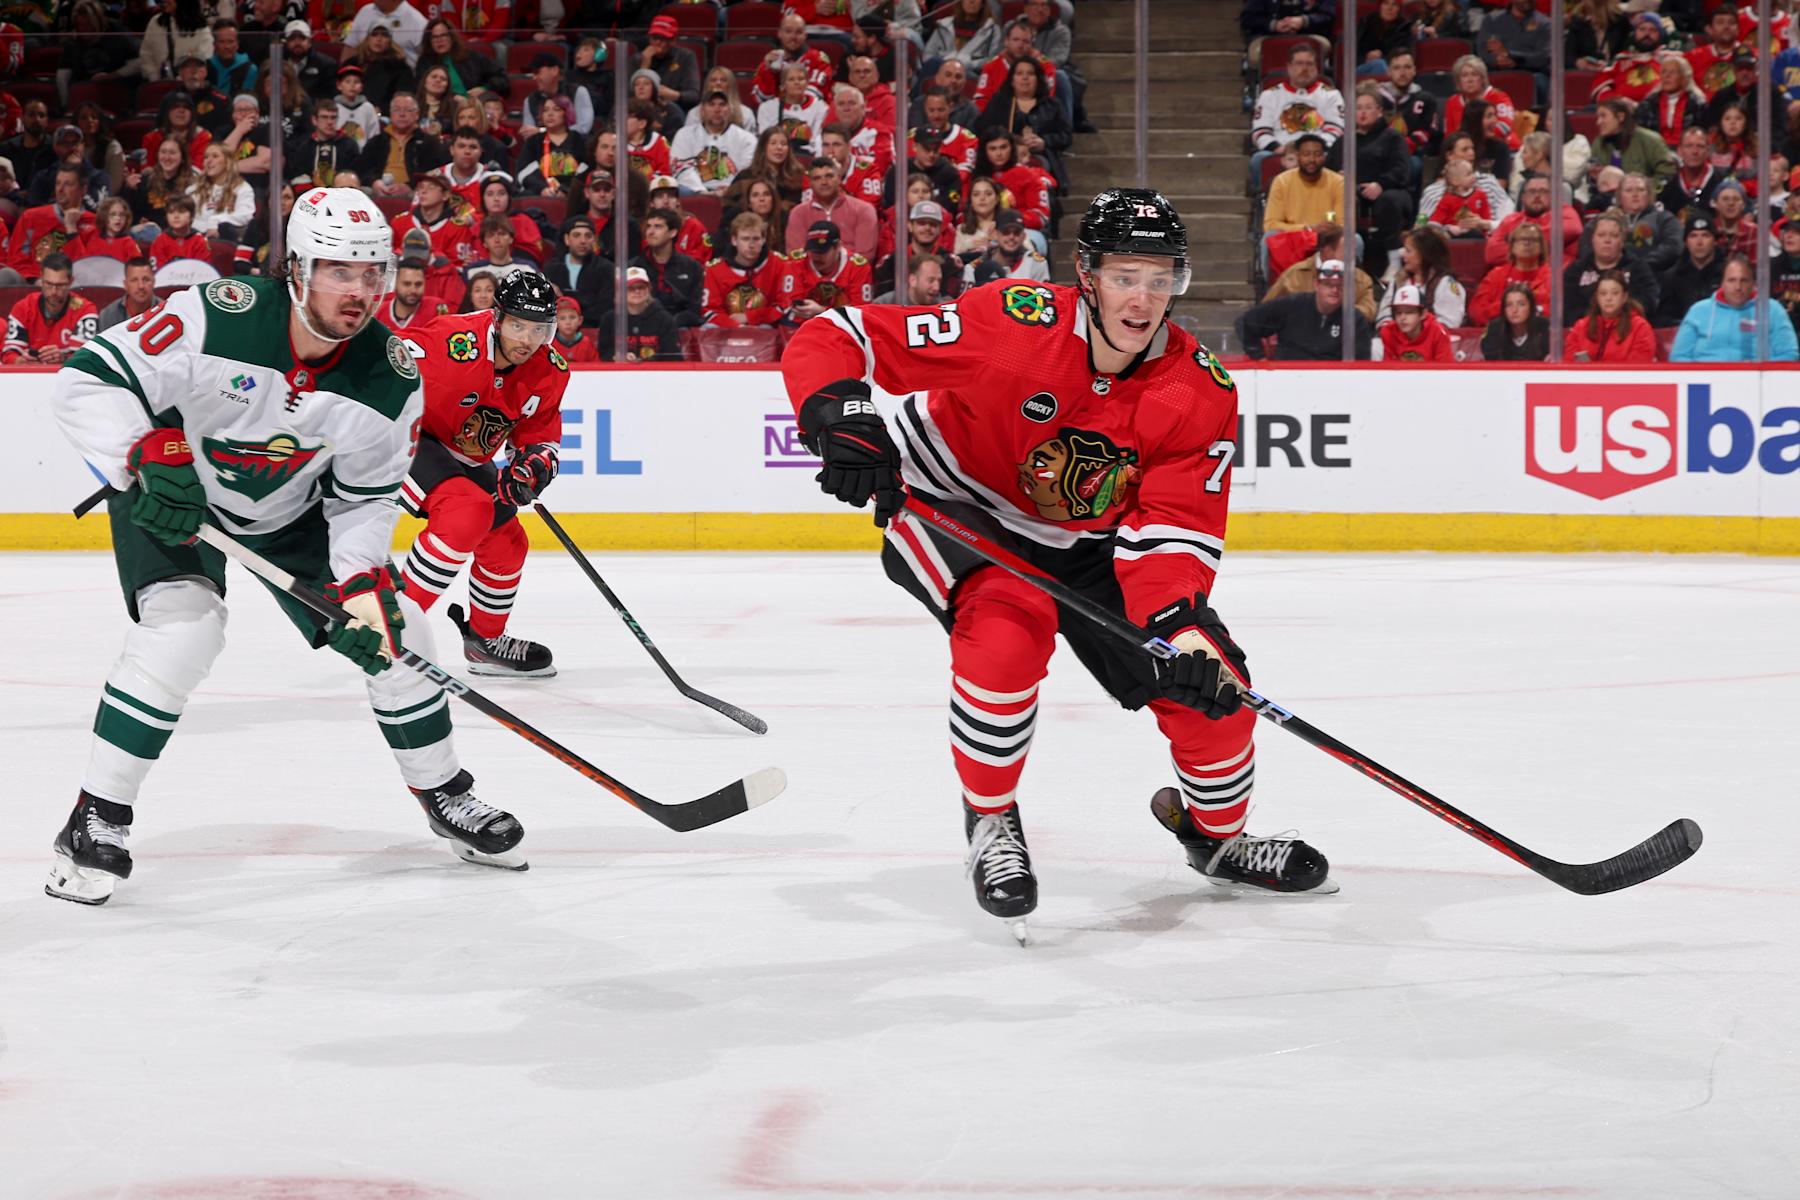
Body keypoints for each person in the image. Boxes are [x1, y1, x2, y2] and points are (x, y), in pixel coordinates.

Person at [781, 187, 1336, 941]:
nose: (1142, 299)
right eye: (1123, 277)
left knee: (1217, 698)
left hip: (1090, 542)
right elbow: (837, 333)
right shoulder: (1014, 324)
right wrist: (840, 416)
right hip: (955, 501)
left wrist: (1186, 632)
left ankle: (1219, 840)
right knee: (1007, 633)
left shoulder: (1197, 389)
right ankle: (990, 820)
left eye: (1159, 278)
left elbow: (1172, 530)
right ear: (1086, 274)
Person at [47, 186, 532, 905]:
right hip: (176, 493)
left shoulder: (390, 376)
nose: (360, 290)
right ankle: (95, 818)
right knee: (184, 632)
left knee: (404, 637)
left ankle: (444, 792)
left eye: (373, 273)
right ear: (297, 270)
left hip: (293, 510)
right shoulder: (215, 316)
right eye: (341, 270)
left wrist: (363, 586)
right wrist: (143, 448)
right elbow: (88, 382)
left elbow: (365, 498)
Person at [399, 273, 567, 682]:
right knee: (466, 514)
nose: (528, 339)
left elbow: (540, 436)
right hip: (404, 436)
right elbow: (381, 355)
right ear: (497, 317)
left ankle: (484, 642)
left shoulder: (550, 370)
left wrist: (533, 465)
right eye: (517, 325)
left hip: (464, 455)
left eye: (540, 329)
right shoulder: (451, 341)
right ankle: (393, 628)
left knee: (509, 542)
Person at [1248, 42, 1343, 192]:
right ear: (1289, 67)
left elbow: (1336, 130)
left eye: (1309, 64)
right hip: (1281, 149)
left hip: (1319, 150)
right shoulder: (1270, 95)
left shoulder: (1331, 94)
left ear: (1316, 67)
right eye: (1299, 63)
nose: (1305, 68)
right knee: (1259, 159)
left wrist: (1312, 151)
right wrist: (1279, 149)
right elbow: (1260, 131)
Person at [1238, 257, 1374, 360]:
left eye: (1340, 286)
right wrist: (1260, 358)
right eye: (1328, 284)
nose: (1334, 290)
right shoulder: (1292, 305)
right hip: (1287, 379)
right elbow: (1245, 323)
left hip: (1332, 384)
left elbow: (1361, 362)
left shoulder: (1354, 319)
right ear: (1317, 284)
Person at [1671, 253, 1800, 361]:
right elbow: (1679, 357)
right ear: (1722, 283)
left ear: (1753, 283)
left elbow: (1789, 354)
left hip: (1757, 384)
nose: (1738, 287)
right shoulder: (1698, 311)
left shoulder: (1772, 310)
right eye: (1731, 280)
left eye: (1744, 280)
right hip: (1705, 385)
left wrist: (1756, 369)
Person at [1260, 131, 1343, 276]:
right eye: (1306, 154)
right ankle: (1270, 294)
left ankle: (1346, 291)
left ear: (1324, 157)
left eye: (1317, 154)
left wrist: (1329, 229)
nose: (1312, 159)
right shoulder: (1282, 181)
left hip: (1326, 238)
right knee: (1268, 238)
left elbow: (1343, 224)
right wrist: (1308, 229)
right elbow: (1271, 224)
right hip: (1292, 238)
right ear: (1298, 156)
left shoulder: (1338, 182)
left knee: (1355, 240)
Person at [1264, 224, 1378, 322]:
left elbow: (1370, 311)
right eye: (1347, 250)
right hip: (1299, 339)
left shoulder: (1361, 278)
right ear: (1328, 251)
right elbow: (1267, 308)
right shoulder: (1295, 274)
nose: (1353, 255)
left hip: (1342, 341)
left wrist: (1339, 312)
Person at [5, 165, 98, 283]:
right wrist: (35, 280)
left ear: (83, 190)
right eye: (58, 183)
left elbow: (88, 269)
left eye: (68, 184)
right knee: (6, 274)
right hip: (32, 283)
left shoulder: (95, 224)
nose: (60, 189)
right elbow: (16, 260)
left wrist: (72, 229)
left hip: (76, 286)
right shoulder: (31, 217)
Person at [1563, 210, 1659, 318]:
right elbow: (1567, 307)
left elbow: (1648, 302)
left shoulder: (1638, 268)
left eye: (1614, 235)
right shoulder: (1576, 270)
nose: (1607, 240)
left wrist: (1616, 317)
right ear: (1592, 239)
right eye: (1601, 235)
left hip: (1627, 327)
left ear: (1622, 240)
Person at [2, 254, 96, 363]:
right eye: (48, 284)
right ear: (41, 278)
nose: (54, 292)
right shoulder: (23, 308)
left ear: (71, 281)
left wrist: (63, 358)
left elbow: (86, 359)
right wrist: (22, 362)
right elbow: (9, 354)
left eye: (60, 285)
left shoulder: (85, 311)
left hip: (68, 376)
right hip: (28, 377)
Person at [787, 153, 880, 262]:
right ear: (810, 183)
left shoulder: (863, 210)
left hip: (851, 276)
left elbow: (865, 258)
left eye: (829, 176)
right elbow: (796, 257)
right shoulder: (798, 214)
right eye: (817, 178)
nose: (824, 182)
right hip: (810, 276)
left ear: (839, 178)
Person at [779, 219, 874, 322]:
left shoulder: (859, 268)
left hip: (844, 328)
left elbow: (860, 313)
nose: (816, 257)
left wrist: (822, 311)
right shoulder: (795, 263)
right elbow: (789, 303)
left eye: (822, 252)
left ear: (838, 247)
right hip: (801, 325)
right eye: (813, 251)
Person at [671, 90, 759, 197]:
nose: (717, 109)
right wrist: (702, 191)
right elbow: (681, 168)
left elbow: (747, 172)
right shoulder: (684, 134)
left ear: (730, 110)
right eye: (711, 104)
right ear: (702, 110)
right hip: (694, 192)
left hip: (734, 194)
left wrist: (731, 189)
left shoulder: (747, 139)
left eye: (722, 104)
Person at [703, 212, 785, 327]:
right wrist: (737, 326)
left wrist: (750, 317)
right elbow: (709, 311)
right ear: (734, 240)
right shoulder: (714, 270)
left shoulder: (779, 265)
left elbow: (785, 305)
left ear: (763, 240)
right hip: (726, 329)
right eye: (745, 239)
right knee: (709, 327)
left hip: (766, 329)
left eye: (756, 239)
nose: (751, 245)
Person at [1486, 174, 1583, 268]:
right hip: (1516, 278)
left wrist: (1517, 244)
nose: (1537, 196)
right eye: (1532, 191)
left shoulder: (1565, 212)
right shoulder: (1511, 220)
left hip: (1556, 278)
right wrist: (1540, 251)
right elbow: (1492, 254)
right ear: (1523, 197)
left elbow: (1573, 229)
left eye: (1543, 191)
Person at [1377, 228, 1467, 329]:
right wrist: (1390, 331)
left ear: (1424, 254)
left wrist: (1416, 334)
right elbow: (1384, 315)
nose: (1403, 255)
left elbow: (1449, 323)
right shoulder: (1398, 281)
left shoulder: (1445, 284)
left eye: (1408, 251)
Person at [1563, 269, 1658, 362]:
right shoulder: (1581, 327)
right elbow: (1569, 362)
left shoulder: (1640, 328)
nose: (1608, 298)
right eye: (1603, 293)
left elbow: (1638, 369)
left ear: (1624, 297)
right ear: (1597, 297)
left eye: (1615, 293)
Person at [634, 208, 705, 328]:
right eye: (648, 226)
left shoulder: (692, 267)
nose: (650, 232)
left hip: (681, 326)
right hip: (643, 326)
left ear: (673, 232)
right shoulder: (634, 267)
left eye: (658, 227)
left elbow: (695, 309)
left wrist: (671, 323)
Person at [1470, 221, 1550, 325]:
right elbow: (1477, 312)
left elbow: (1559, 312)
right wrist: (1509, 306)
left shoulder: (1552, 277)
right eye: (1521, 239)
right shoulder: (1496, 275)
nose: (1526, 243)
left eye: (1533, 240)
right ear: (1512, 247)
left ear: (1542, 247)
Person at [1655, 212, 1726, 327]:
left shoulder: (1727, 274)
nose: (1699, 242)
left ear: (1714, 241)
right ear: (1686, 242)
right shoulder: (1673, 277)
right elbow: (1663, 319)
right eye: (1693, 236)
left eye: (1705, 235)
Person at [543, 214, 615, 326]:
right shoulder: (551, 269)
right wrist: (586, 300)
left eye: (588, 236)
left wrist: (563, 297)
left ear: (594, 240)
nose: (583, 241)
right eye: (576, 235)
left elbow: (604, 310)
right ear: (567, 239)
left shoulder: (607, 268)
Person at [753, 11, 836, 106]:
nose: (793, 37)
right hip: (776, 116)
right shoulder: (769, 62)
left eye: (799, 32)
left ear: (805, 35)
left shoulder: (818, 60)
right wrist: (768, 72)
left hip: (811, 116)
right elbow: (761, 100)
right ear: (779, 33)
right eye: (788, 31)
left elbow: (813, 97)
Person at [598, 266, 681, 362]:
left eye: (641, 287)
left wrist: (644, 361)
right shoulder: (609, 319)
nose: (637, 291)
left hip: (656, 373)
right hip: (619, 373)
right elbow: (603, 352)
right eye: (631, 288)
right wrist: (617, 356)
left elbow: (672, 355)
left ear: (649, 289)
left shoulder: (665, 319)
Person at [1589, 98, 1674, 190]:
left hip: (1644, 199)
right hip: (1607, 198)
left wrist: (1642, 190)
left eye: (1603, 116)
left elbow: (1667, 175)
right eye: (1598, 117)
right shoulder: (1598, 143)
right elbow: (1593, 183)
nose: (1598, 122)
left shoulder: (1650, 140)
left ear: (1620, 117)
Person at [1613, 172, 1682, 273]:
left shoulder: (1664, 218)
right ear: (1619, 196)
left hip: (1654, 275)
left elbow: (1673, 246)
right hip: (1613, 278)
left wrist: (1641, 265)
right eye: (1629, 190)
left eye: (1641, 190)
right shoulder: (1607, 220)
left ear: (1649, 195)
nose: (1635, 195)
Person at [964, 207, 1049, 287]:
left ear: (1024, 236)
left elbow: (1043, 299)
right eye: (1005, 232)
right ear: (995, 234)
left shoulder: (1036, 264)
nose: (1011, 237)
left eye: (1016, 233)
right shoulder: (974, 268)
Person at [133, 0, 213, 84]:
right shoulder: (156, 22)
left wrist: (182, 82)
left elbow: (204, 60)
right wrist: (154, 77)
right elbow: (146, 54)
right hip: (159, 85)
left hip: (189, 88)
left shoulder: (201, 29)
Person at [1658, 125, 1727, 222]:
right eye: (1689, 146)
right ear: (1680, 151)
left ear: (1708, 151)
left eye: (1700, 146)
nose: (1694, 151)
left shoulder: (1722, 182)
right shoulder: (1668, 185)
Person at [1635, 55, 1706, 149]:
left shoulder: (1697, 103)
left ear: (1684, 78)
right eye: (1664, 72)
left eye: (1673, 72)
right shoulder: (1648, 104)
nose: (1667, 76)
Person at [286, 97, 357, 189]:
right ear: (314, 120)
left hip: (341, 195)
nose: (330, 122)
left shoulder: (349, 145)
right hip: (309, 195)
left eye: (333, 117)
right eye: (324, 117)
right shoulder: (303, 146)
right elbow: (297, 174)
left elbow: (354, 175)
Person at [188, 142, 255, 238]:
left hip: (227, 238)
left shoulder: (242, 188)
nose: (209, 161)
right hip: (196, 238)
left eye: (215, 156)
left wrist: (216, 220)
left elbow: (245, 216)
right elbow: (186, 215)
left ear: (227, 162)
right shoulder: (194, 189)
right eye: (206, 157)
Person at [638, 13, 702, 112]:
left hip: (677, 110)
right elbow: (629, 97)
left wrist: (674, 95)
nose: (658, 42)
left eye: (663, 38)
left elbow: (694, 96)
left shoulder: (685, 57)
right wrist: (644, 67)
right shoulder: (638, 58)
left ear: (673, 40)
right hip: (644, 111)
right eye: (655, 38)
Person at [521, 55, 595, 139]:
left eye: (537, 72)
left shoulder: (578, 92)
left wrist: (542, 131)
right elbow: (528, 134)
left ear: (554, 71)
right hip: (543, 148)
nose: (534, 78)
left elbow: (583, 128)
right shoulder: (530, 100)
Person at [1379, 282, 1456, 363]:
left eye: (1409, 312)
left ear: (1423, 314)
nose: (1402, 318)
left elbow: (1446, 370)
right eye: (1398, 313)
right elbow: (1388, 369)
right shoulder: (1389, 332)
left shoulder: (1438, 332)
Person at [1479, 281, 1551, 360]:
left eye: (1521, 304)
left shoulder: (1544, 326)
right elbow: (1491, 362)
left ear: (1531, 307)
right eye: (1509, 305)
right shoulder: (1495, 328)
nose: (1514, 310)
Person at [1686, 4, 1745, 102]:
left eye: (1731, 23)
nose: (1726, 27)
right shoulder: (1693, 58)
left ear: (1738, 29)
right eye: (1720, 22)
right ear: (1709, 29)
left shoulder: (1752, 56)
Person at [345, 0, 428, 67]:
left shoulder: (418, 21)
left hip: (402, 81)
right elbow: (350, 48)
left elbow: (427, 58)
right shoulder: (365, 12)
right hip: (363, 79)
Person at [378, 260, 449, 331]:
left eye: (418, 284)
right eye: (407, 284)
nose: (413, 290)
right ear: (395, 283)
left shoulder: (436, 308)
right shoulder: (378, 312)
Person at [69, 198, 139, 266]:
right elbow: (81, 261)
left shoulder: (128, 243)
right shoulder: (92, 237)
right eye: (113, 214)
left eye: (122, 215)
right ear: (104, 217)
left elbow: (138, 268)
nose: (118, 218)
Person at [96, 258, 160, 332]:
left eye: (146, 279)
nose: (141, 286)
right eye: (134, 280)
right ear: (125, 284)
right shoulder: (108, 315)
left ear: (154, 282)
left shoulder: (166, 311)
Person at [551, 294, 600, 363]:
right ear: (555, 322)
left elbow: (596, 367)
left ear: (580, 320)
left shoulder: (586, 343)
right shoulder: (551, 345)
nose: (568, 322)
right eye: (562, 318)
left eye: (572, 317)